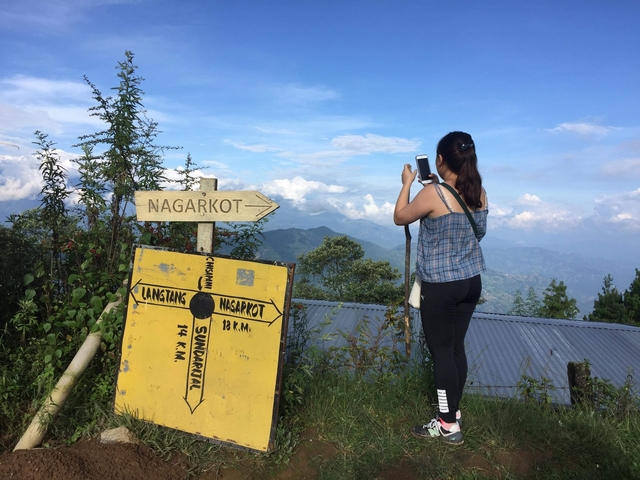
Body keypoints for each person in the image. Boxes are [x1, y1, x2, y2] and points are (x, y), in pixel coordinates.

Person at [394, 131, 488, 445]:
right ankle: (455, 413)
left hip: (441, 286)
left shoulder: (433, 193)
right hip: (471, 281)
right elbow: (479, 232)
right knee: (456, 347)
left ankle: (446, 423)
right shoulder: (479, 191)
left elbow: (399, 217)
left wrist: (408, 182)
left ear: (440, 159)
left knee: (442, 354)